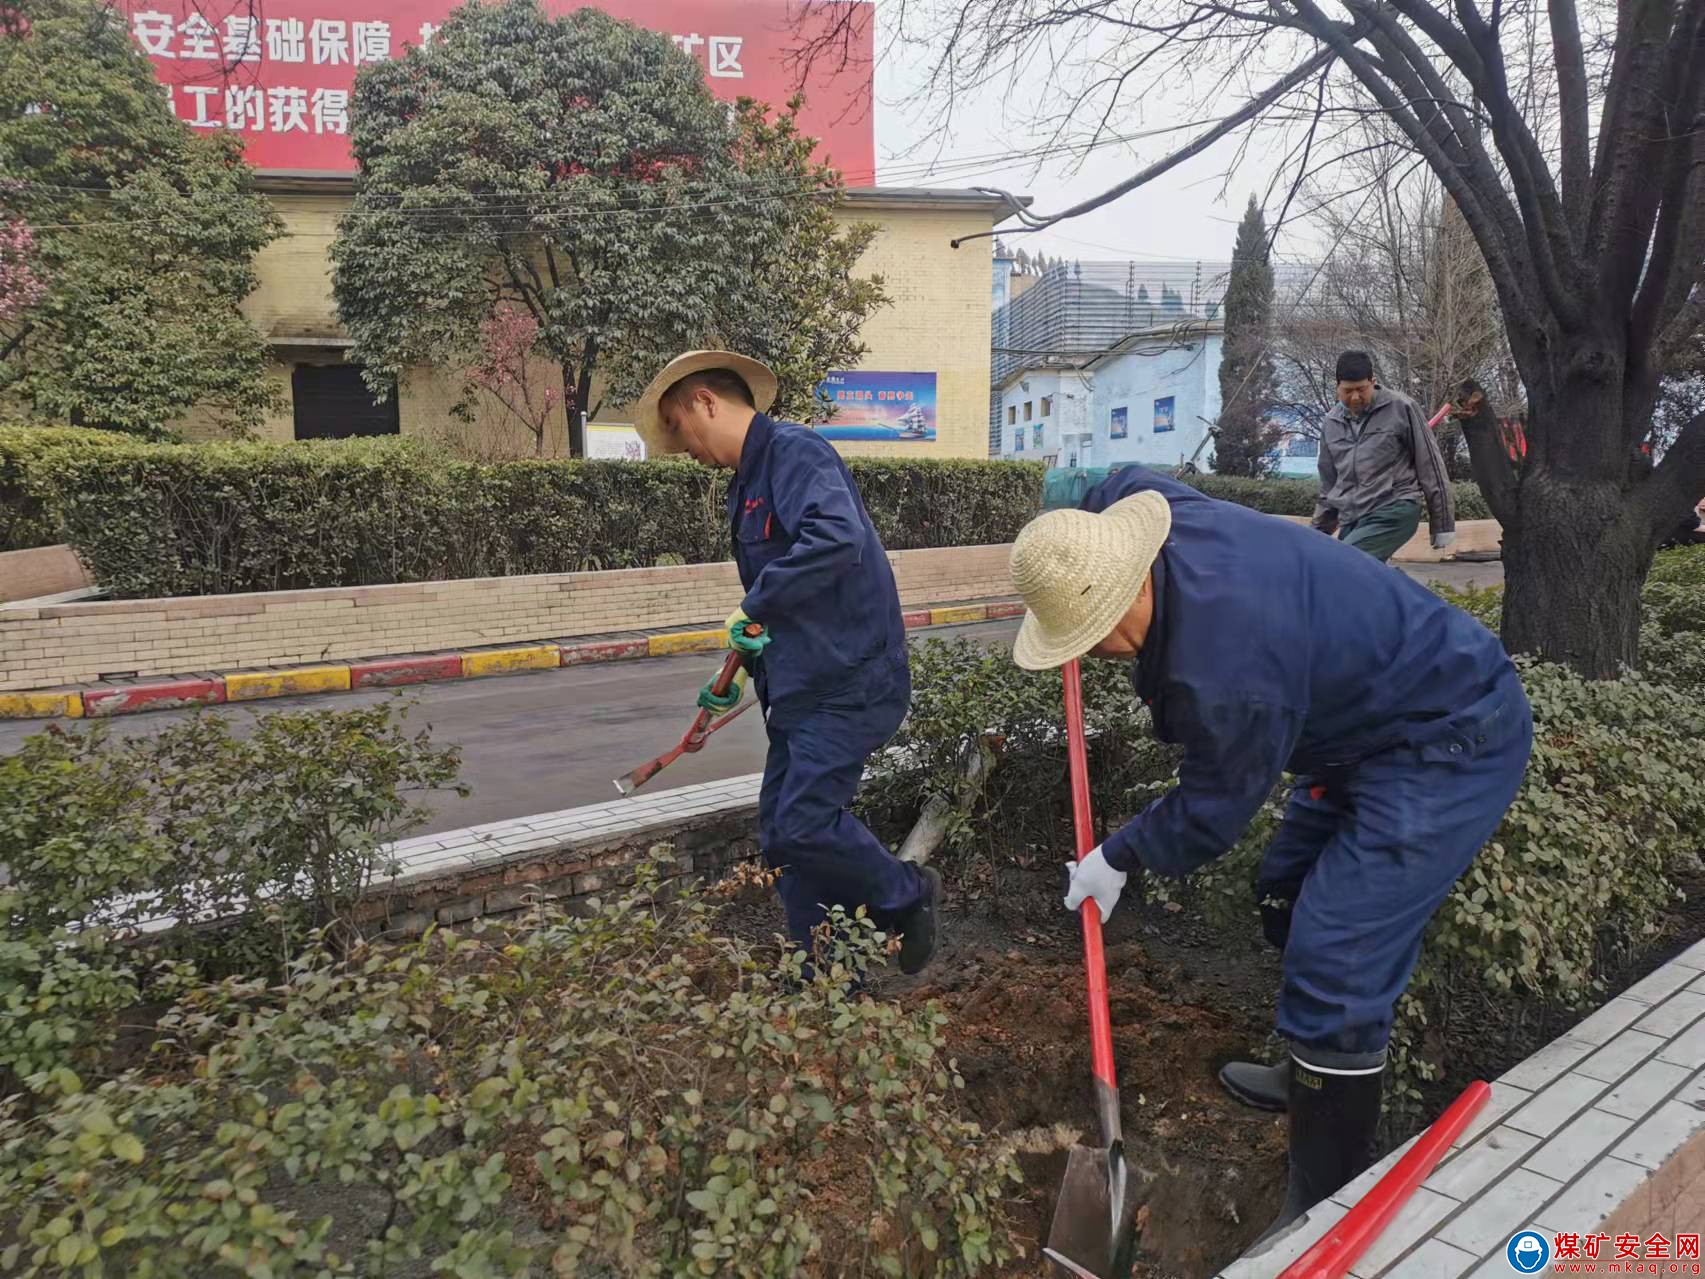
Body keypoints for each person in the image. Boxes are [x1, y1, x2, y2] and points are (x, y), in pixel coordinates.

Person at [1007, 466, 1532, 1245]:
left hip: (1446, 733)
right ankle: (1314, 1071)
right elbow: (1112, 478)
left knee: (1337, 948)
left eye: (1091, 638)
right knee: (1283, 885)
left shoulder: (1226, 672)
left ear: (1121, 606)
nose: (1101, 656)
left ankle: (1324, 1199)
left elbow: (1210, 811)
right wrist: (1063, 539)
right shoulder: (1153, 517)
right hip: (1361, 726)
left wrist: (1116, 855)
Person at [632, 350, 942, 975]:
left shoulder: (796, 454)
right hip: (800, 689)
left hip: (850, 683)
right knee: (781, 836)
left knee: (805, 823)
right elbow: (780, 604)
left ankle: (909, 893)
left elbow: (834, 538)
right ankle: (828, 974)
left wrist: (754, 604)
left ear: (705, 402)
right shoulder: (745, 484)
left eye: (677, 426)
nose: (681, 446)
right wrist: (738, 665)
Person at [1313, 350, 1457, 563]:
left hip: (1394, 507)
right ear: (1337, 387)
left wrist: (1443, 524)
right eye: (1347, 390)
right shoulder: (1331, 423)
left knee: (1342, 565)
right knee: (1353, 577)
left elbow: (1430, 464)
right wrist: (1317, 533)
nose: (1355, 397)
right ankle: (1396, 594)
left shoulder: (1401, 408)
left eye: (1361, 389)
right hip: (1354, 517)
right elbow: (1330, 485)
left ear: (1373, 382)